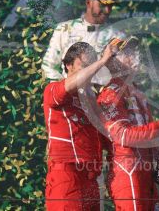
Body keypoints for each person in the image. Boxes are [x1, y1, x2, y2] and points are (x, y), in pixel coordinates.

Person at [97, 38, 159, 210]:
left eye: (134, 51)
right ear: (111, 62)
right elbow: (123, 135)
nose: (135, 56)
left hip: (146, 173)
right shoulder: (109, 94)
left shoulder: (137, 92)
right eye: (126, 53)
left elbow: (147, 134)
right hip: (127, 173)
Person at [43, 41, 117, 210]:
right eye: (83, 65)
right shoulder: (53, 89)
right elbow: (69, 85)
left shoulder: (92, 101)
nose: (90, 71)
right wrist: (102, 61)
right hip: (67, 176)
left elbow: (110, 136)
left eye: (91, 66)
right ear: (68, 65)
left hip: (91, 179)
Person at [42, 0, 122, 85]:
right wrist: (64, 89)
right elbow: (48, 65)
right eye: (102, 4)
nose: (107, 10)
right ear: (88, 2)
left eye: (110, 5)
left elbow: (126, 72)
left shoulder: (118, 35)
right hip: (69, 95)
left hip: (102, 97)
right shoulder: (64, 29)